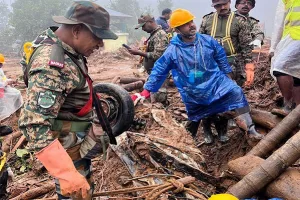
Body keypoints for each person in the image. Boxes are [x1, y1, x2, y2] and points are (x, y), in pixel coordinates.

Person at [18, 1, 118, 199]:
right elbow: (33, 124)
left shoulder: (66, 48)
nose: (101, 44)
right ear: (77, 30)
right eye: (98, 37)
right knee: (76, 192)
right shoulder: (52, 64)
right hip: (65, 151)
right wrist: (66, 173)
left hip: (74, 144)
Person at [131, 9, 263, 144]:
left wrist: (228, 76)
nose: (192, 25)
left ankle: (251, 130)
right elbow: (159, 69)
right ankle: (188, 140)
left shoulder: (207, 41)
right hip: (193, 88)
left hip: (215, 81)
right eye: (186, 24)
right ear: (177, 30)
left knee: (236, 92)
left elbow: (221, 57)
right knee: (197, 113)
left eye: (191, 21)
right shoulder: (173, 50)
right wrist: (146, 91)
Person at [199, 0, 255, 87]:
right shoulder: (207, 20)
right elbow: (200, 44)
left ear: (229, 2)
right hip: (212, 62)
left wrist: (249, 66)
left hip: (233, 63)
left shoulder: (239, 20)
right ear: (214, 6)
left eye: (224, 4)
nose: (222, 7)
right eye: (218, 5)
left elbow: (246, 46)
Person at [269, 0, 300, 116]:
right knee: (297, 76)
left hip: (296, 40)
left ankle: (288, 105)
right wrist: (273, 47)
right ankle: (297, 112)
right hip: (291, 38)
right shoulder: (287, 1)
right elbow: (279, 24)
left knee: (280, 67)